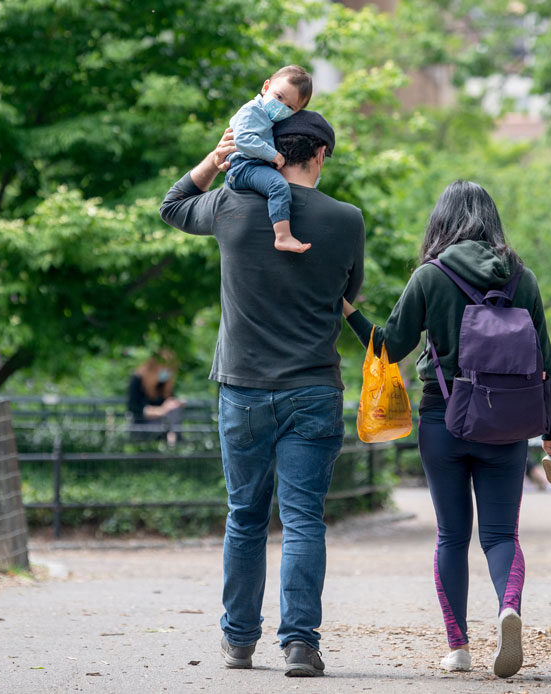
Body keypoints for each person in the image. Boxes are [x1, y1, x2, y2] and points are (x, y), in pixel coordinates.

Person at [159, 110, 364, 678]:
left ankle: (239, 641)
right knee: (303, 521)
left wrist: (218, 157)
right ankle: (300, 644)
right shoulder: (346, 219)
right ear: (319, 154)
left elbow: (172, 205)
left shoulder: (229, 204)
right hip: (313, 388)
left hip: (243, 389)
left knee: (245, 517)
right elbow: (350, 292)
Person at [341, 180, 551, 678]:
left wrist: (350, 312)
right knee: (500, 534)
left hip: (443, 419)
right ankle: (509, 606)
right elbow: (545, 361)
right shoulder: (521, 279)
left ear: (441, 221)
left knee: (451, 535)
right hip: (507, 424)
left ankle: (458, 646)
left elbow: (390, 347)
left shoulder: (430, 275)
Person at [226, 65, 314, 254]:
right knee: (278, 186)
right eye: (279, 97)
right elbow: (242, 139)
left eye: (290, 107)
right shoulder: (252, 110)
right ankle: (283, 236)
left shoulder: (271, 118)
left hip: (254, 166)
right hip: (243, 166)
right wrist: (273, 155)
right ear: (266, 87)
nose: (281, 106)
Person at [126, 354, 184, 446]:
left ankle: (172, 440)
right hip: (143, 424)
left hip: (164, 421)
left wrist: (175, 403)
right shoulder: (138, 380)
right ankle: (172, 441)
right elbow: (135, 408)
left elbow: (169, 400)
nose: (166, 372)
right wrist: (161, 410)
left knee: (175, 411)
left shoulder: (164, 383)